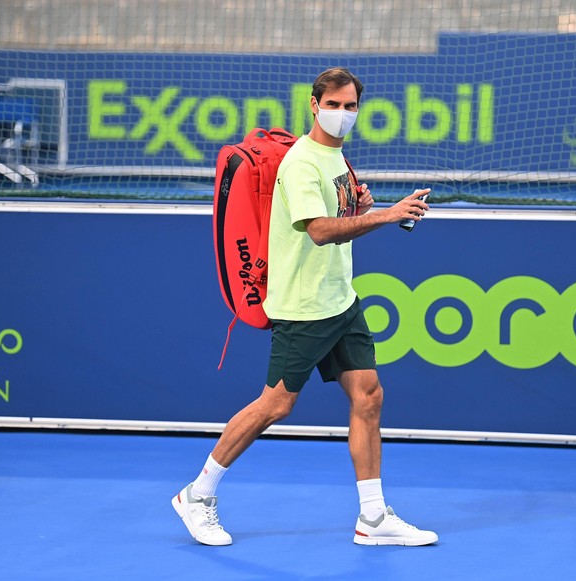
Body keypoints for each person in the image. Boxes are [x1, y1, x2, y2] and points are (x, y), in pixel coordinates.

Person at [172, 67, 436, 547]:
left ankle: (373, 517)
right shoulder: (301, 163)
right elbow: (318, 231)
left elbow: (336, 222)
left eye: (350, 106)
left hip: (340, 300)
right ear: (314, 106)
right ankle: (197, 493)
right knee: (276, 404)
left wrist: (359, 209)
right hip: (304, 307)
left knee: (369, 396)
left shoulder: (337, 159)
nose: (341, 114)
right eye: (332, 105)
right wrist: (386, 215)